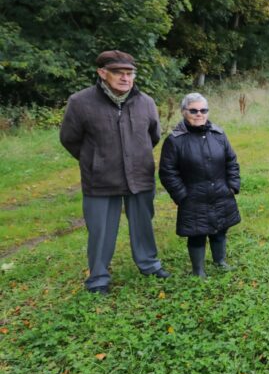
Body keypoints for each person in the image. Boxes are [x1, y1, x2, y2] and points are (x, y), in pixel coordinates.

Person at [59, 50, 170, 294]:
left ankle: (149, 264)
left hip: (140, 175)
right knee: (100, 231)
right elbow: (69, 139)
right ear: (102, 73)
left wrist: (134, 156)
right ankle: (98, 277)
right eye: (118, 72)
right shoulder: (80, 102)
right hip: (100, 179)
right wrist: (95, 160)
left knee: (143, 225)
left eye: (129, 73)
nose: (125, 78)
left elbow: (153, 136)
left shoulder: (146, 102)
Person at [159, 93, 241, 277]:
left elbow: (231, 161)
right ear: (183, 112)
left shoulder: (218, 134)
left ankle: (220, 261)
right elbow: (167, 172)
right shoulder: (174, 140)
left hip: (221, 193)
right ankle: (198, 271)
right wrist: (182, 196)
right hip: (193, 197)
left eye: (203, 110)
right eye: (193, 110)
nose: (199, 114)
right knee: (197, 234)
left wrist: (232, 186)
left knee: (220, 229)